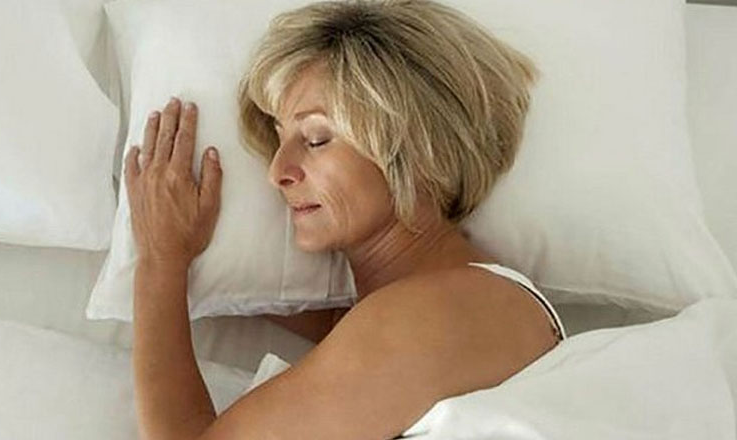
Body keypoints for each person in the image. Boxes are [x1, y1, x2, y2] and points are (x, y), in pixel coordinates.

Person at [123, 1, 567, 438]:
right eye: (280, 137)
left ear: (417, 150)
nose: (278, 172)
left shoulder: (429, 319)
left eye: (317, 139)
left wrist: (160, 261)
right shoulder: (443, 308)